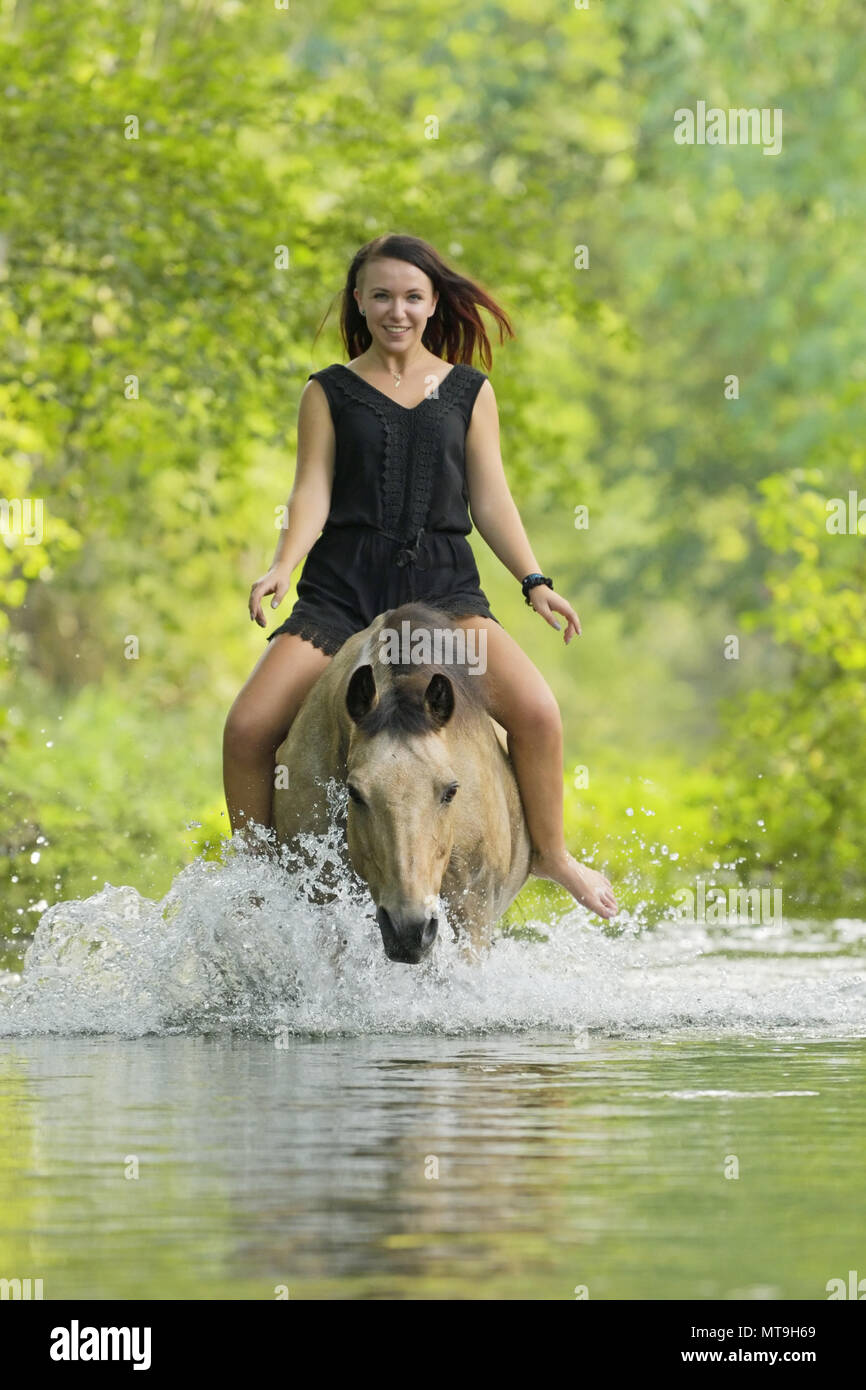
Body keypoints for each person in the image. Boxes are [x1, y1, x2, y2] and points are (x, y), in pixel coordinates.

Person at [223, 233, 617, 919]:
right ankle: (254, 884)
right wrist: (282, 566)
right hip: (340, 600)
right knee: (248, 727)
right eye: (381, 295)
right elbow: (311, 490)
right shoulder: (329, 391)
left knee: (539, 714)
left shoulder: (469, 391)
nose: (395, 310)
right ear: (360, 301)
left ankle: (552, 854)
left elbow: (490, 499)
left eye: (411, 296)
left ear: (433, 303)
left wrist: (535, 581)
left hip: (444, 603)